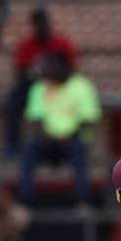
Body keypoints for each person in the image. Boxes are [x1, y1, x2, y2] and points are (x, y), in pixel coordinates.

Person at [21, 52, 101, 205]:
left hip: (73, 140)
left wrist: (68, 137)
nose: (48, 72)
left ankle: (81, 201)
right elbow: (35, 119)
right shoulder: (40, 87)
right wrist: (48, 137)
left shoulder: (82, 86)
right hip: (47, 141)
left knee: (78, 149)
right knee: (30, 147)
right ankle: (26, 199)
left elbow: (89, 119)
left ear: (65, 68)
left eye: (52, 68)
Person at [4, 8, 77, 157]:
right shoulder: (26, 45)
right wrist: (39, 77)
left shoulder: (61, 43)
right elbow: (21, 73)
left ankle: (70, 141)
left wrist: (52, 75)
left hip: (59, 86)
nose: (41, 27)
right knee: (13, 98)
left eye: (43, 23)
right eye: (37, 24)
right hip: (34, 88)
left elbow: (72, 69)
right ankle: (12, 144)